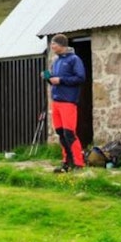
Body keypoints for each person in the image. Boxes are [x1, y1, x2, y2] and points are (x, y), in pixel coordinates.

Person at [43, 33, 86, 172]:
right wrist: (48, 78)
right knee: (61, 133)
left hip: (68, 102)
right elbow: (55, 80)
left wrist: (61, 80)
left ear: (61, 45)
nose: (52, 46)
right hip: (56, 102)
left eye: (53, 44)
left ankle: (78, 164)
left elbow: (80, 78)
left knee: (70, 133)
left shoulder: (74, 59)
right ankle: (66, 162)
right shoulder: (56, 61)